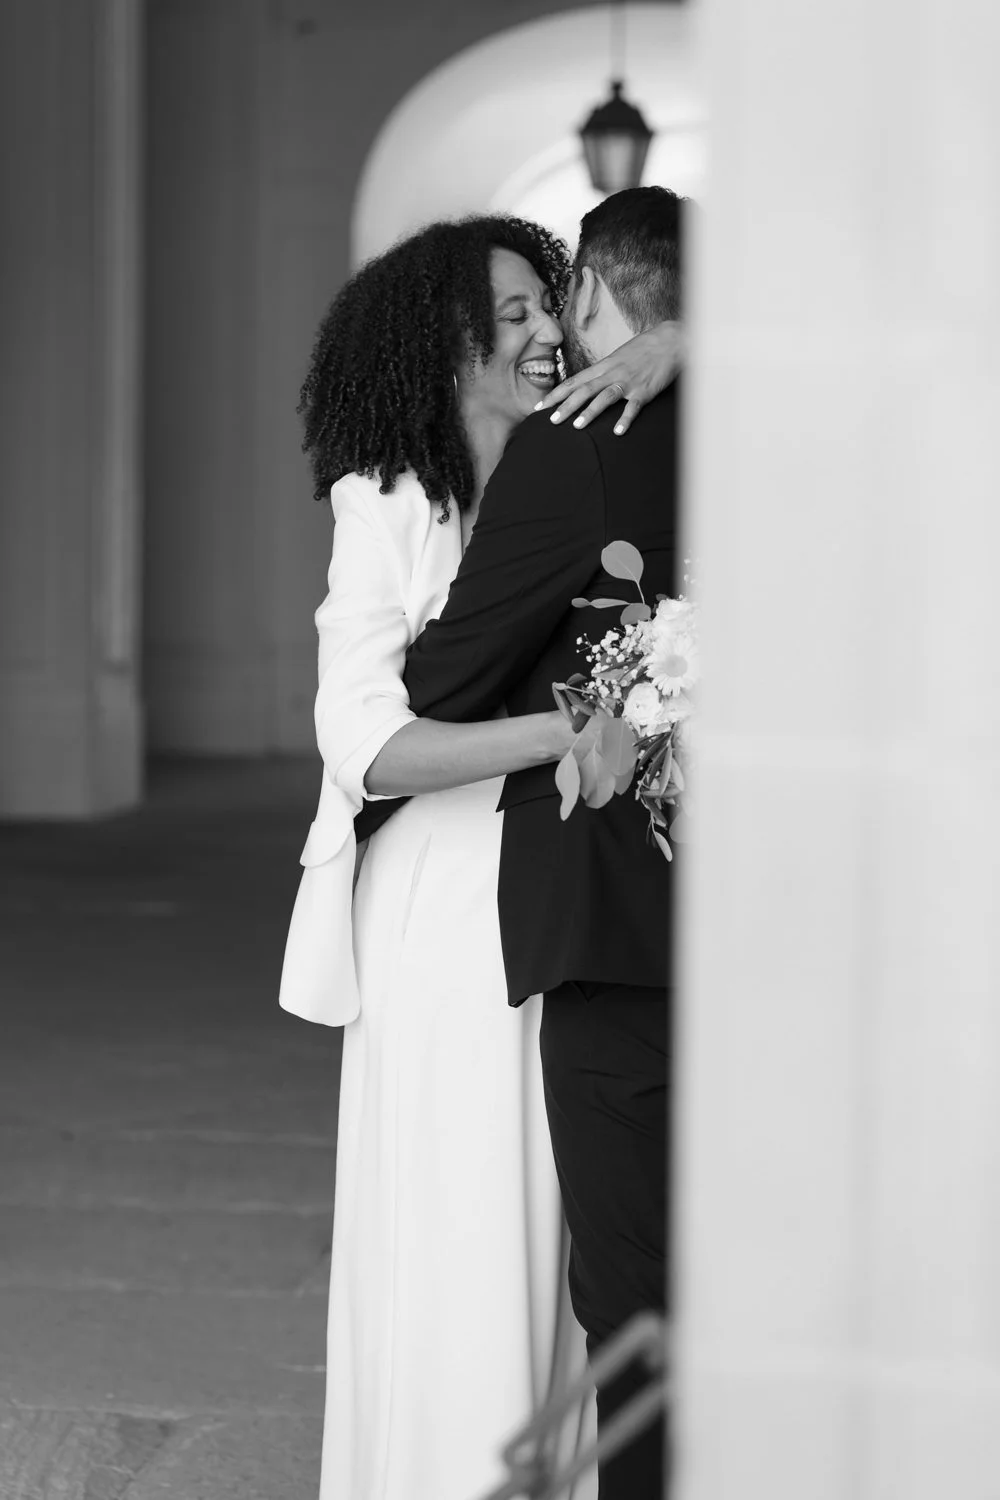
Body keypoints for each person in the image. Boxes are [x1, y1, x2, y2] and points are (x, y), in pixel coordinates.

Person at [277, 212, 683, 1500]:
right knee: (464, 1220)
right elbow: (366, 740)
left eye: (546, 308)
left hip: (560, 897)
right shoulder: (385, 501)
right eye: (508, 317)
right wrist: (565, 726)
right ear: (442, 346)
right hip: (448, 909)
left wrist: (681, 335)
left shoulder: (592, 455)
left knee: (567, 1229)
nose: (544, 333)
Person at [393, 186, 687, 1500]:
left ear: (590, 298)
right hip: (797, 929)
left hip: (626, 928)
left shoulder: (580, 445)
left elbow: (446, 679)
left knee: (634, 1309)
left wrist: (588, 689)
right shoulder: (798, 418)